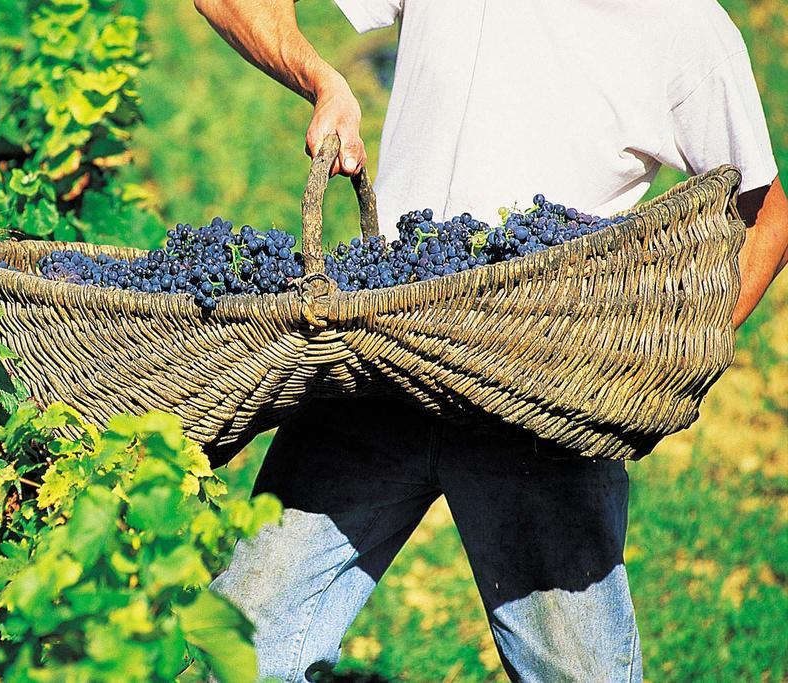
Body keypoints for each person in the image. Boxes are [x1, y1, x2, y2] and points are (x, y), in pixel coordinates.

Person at [193, 0, 787, 681]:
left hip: (536, 407)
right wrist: (320, 78)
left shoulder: (685, 26)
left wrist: (660, 359)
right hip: (376, 368)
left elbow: (766, 218)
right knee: (237, 654)